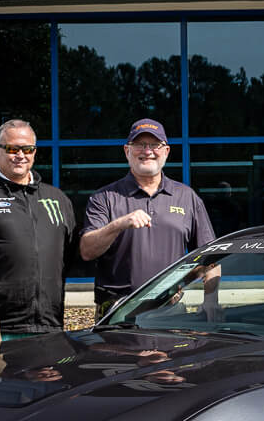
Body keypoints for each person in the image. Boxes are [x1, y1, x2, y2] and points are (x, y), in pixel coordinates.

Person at [79, 119, 215, 313]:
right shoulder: (104, 197)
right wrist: (119, 224)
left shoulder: (186, 197)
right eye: (140, 144)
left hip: (169, 311)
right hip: (116, 312)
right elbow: (87, 250)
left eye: (154, 145)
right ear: (127, 151)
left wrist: (211, 300)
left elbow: (210, 257)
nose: (147, 151)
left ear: (166, 151)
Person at [0, 120, 78, 337]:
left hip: (50, 325)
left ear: (34, 152)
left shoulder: (57, 199)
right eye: (12, 148)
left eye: (27, 149)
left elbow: (70, 255)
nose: (20, 155)